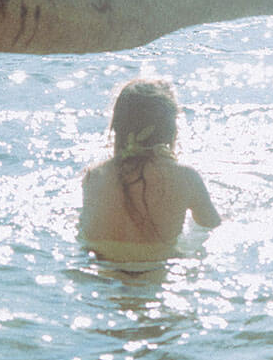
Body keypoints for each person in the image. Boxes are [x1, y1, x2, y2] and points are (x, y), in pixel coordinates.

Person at [79, 78, 220, 264]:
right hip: (155, 270)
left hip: (101, 268)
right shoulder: (186, 178)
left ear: (118, 126)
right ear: (170, 129)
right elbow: (210, 224)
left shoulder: (94, 176)